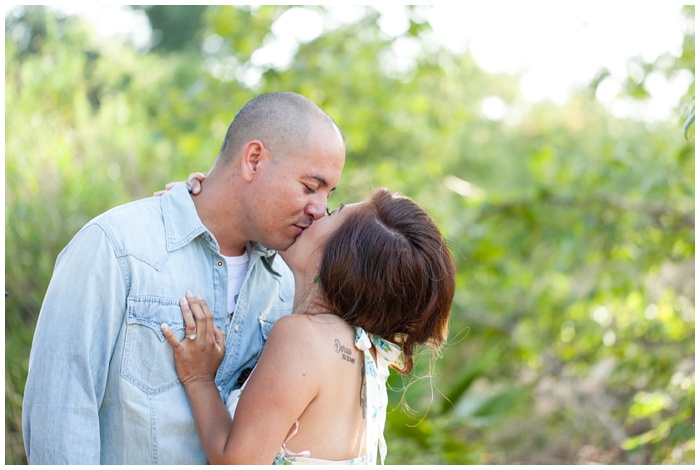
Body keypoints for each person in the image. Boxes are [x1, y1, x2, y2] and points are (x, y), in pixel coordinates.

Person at [21, 92, 346, 464]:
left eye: (328, 194)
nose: (319, 210)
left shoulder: (288, 286)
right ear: (254, 160)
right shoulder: (115, 247)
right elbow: (60, 418)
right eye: (310, 187)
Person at [161, 187, 456, 464]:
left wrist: (199, 379)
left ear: (340, 259)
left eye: (331, 214)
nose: (315, 213)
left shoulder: (302, 337)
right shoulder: (369, 355)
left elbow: (237, 462)